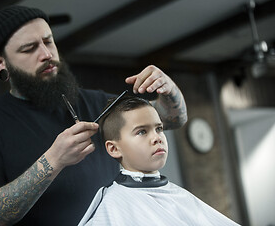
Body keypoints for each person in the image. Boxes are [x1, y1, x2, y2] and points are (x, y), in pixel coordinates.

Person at [0, 5, 187, 226]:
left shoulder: (95, 103)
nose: (46, 54)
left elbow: (172, 119)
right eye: (29, 48)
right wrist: (54, 160)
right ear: (0, 63)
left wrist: (169, 90)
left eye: (48, 41)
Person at [78, 95, 240, 226]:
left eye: (159, 129)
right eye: (142, 132)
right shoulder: (114, 206)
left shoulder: (179, 196)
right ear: (114, 149)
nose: (157, 138)